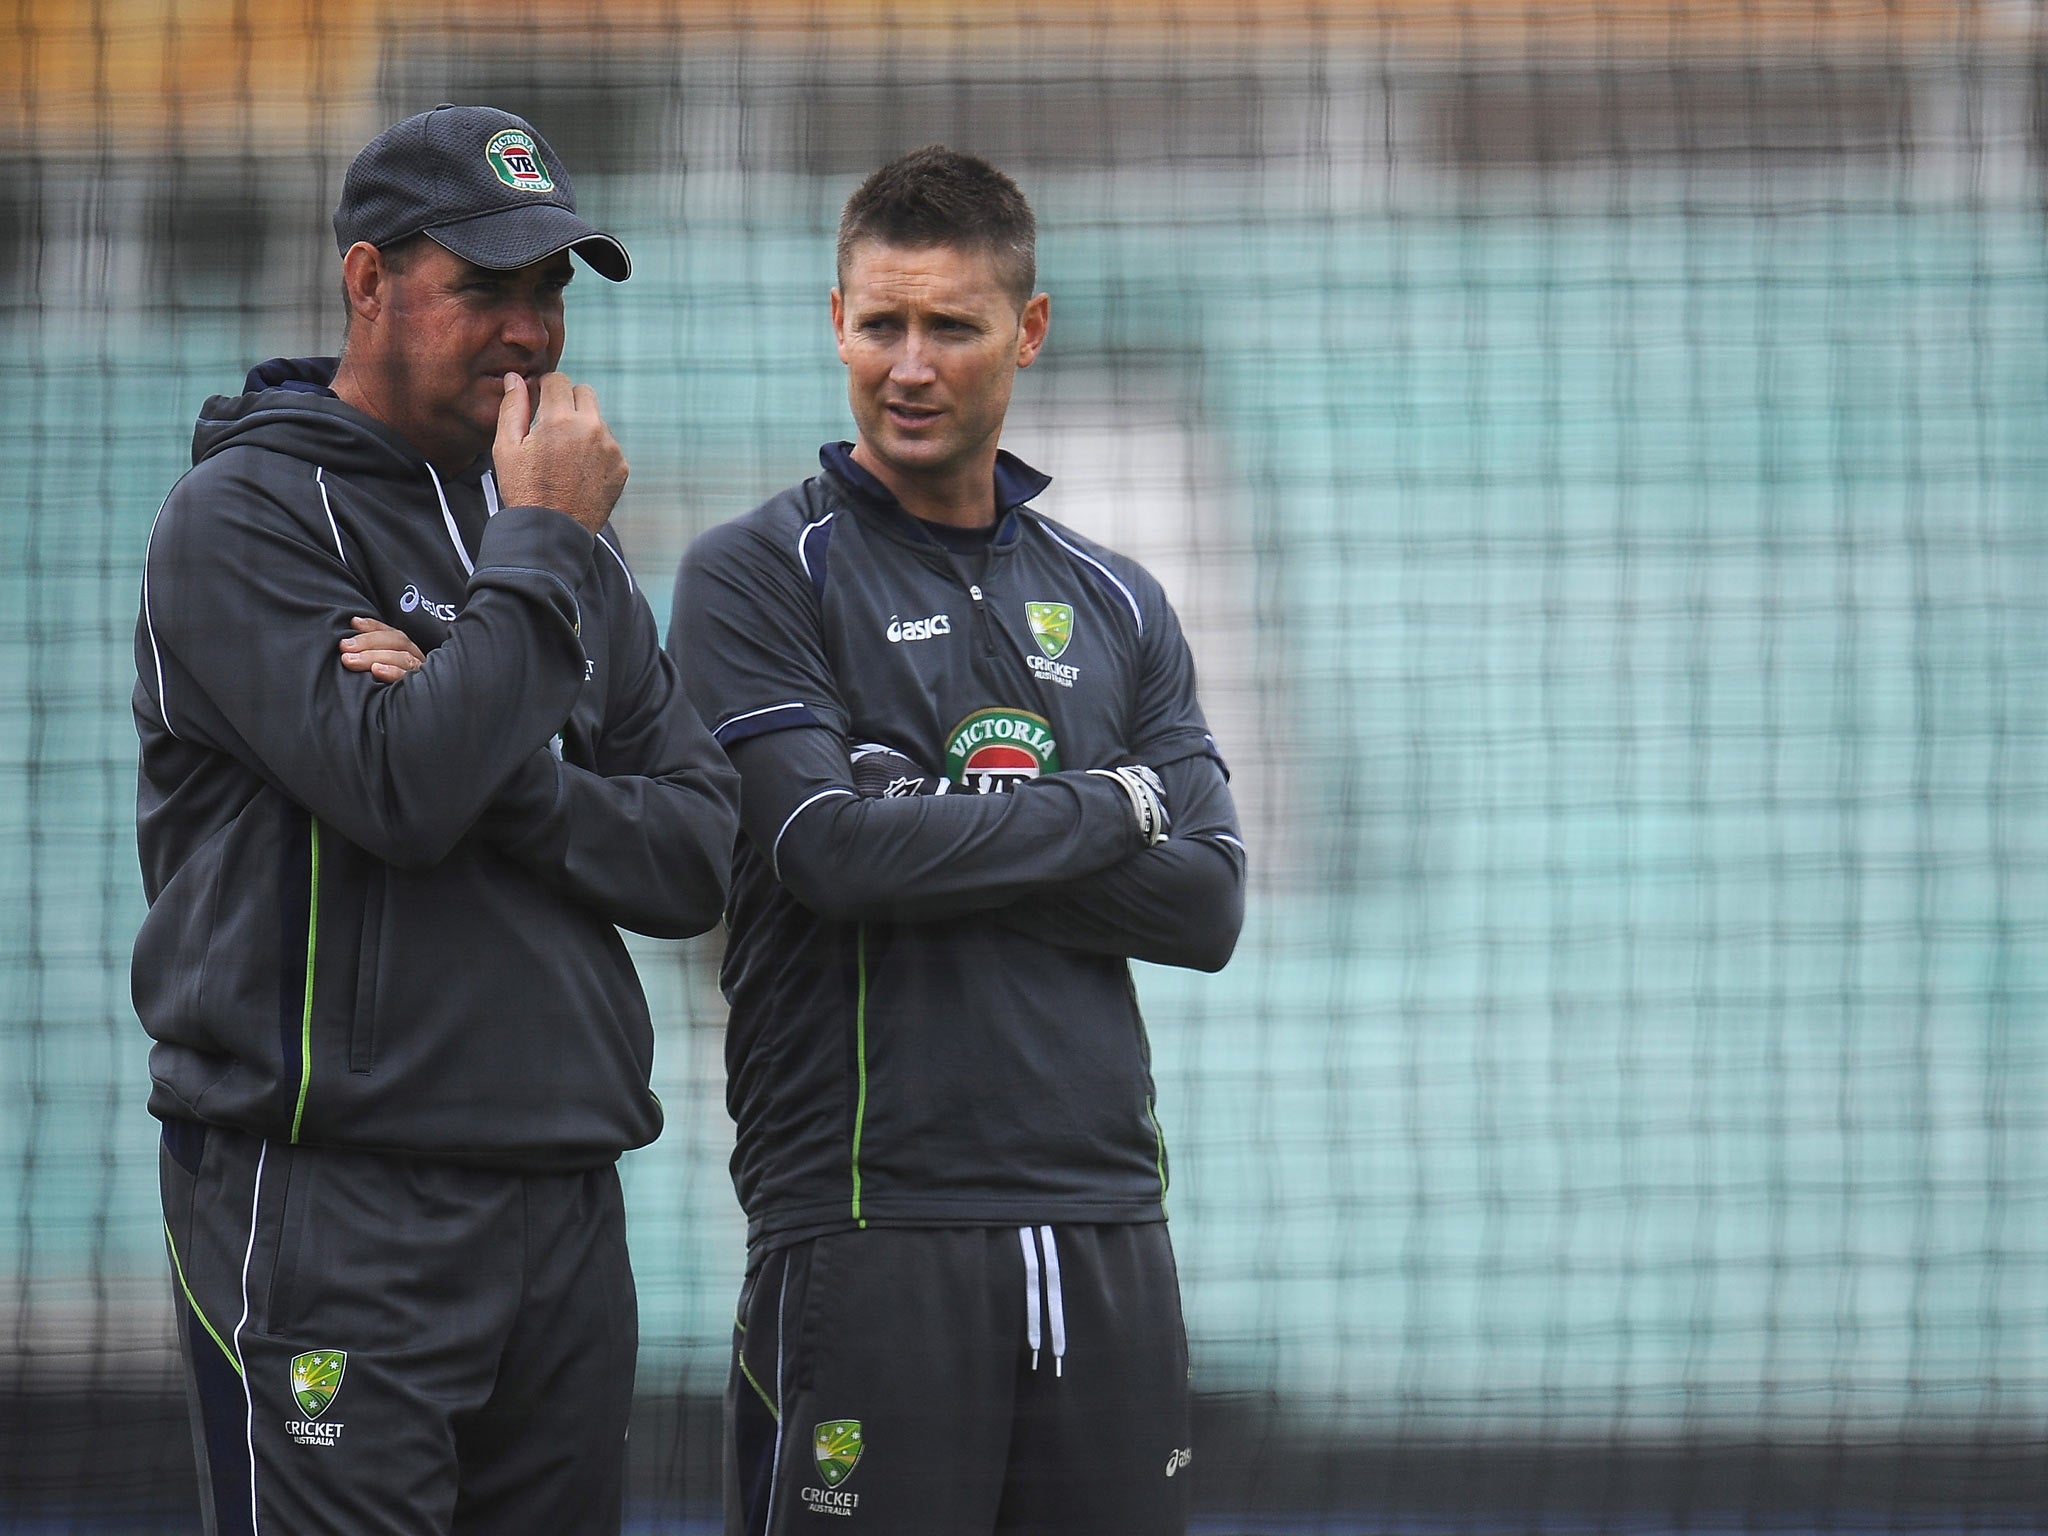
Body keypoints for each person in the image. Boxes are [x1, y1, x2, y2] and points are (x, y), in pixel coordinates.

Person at [133, 105, 740, 1535]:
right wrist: (538, 558)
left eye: (551, 291)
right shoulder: (238, 517)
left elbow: (699, 849)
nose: (530, 330)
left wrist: (499, 748)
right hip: (333, 1204)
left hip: (562, 1202)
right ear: (366, 283)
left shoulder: (558, 541)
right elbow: (400, 792)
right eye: (485, 285)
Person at [670, 146, 1246, 1536]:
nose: (910, 365)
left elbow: (1210, 906)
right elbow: (827, 855)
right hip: (871, 1222)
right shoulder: (756, 573)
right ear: (837, 322)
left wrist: (927, 819)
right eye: (882, 324)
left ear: (1027, 333)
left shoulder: (1117, 600)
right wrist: (1111, 807)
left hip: (1106, 1220)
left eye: (951, 325)